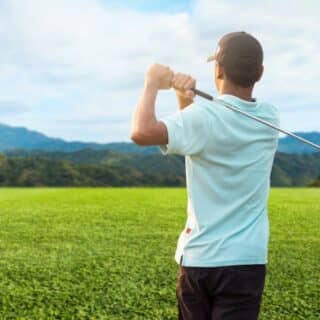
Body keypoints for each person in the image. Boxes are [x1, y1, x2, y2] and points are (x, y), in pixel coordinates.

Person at [131, 31, 279, 320]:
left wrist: (151, 82)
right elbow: (203, 141)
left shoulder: (203, 118)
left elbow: (141, 131)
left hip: (200, 259)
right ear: (259, 73)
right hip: (246, 260)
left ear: (219, 69)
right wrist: (185, 102)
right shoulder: (269, 118)